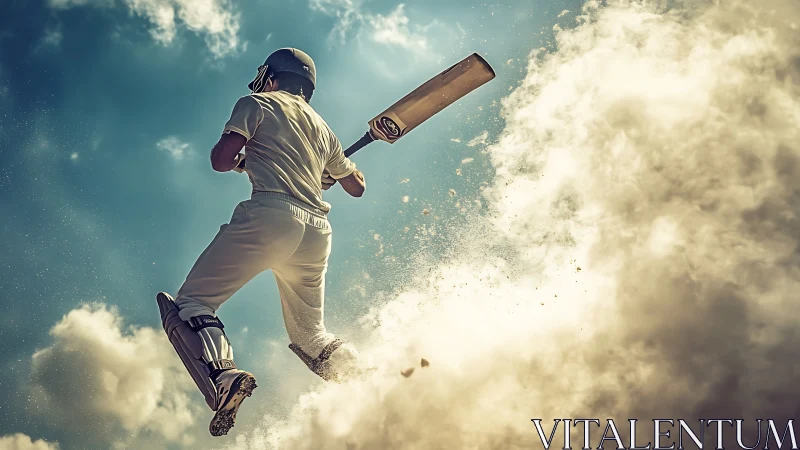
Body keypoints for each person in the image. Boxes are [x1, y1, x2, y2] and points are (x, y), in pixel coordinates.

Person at [155, 48, 366, 437]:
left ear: (271, 77)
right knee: (311, 335)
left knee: (192, 303)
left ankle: (223, 377)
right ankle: (365, 381)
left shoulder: (257, 102)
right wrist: (325, 173)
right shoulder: (323, 129)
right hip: (317, 231)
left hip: (273, 216)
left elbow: (221, 159)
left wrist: (244, 160)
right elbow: (357, 186)